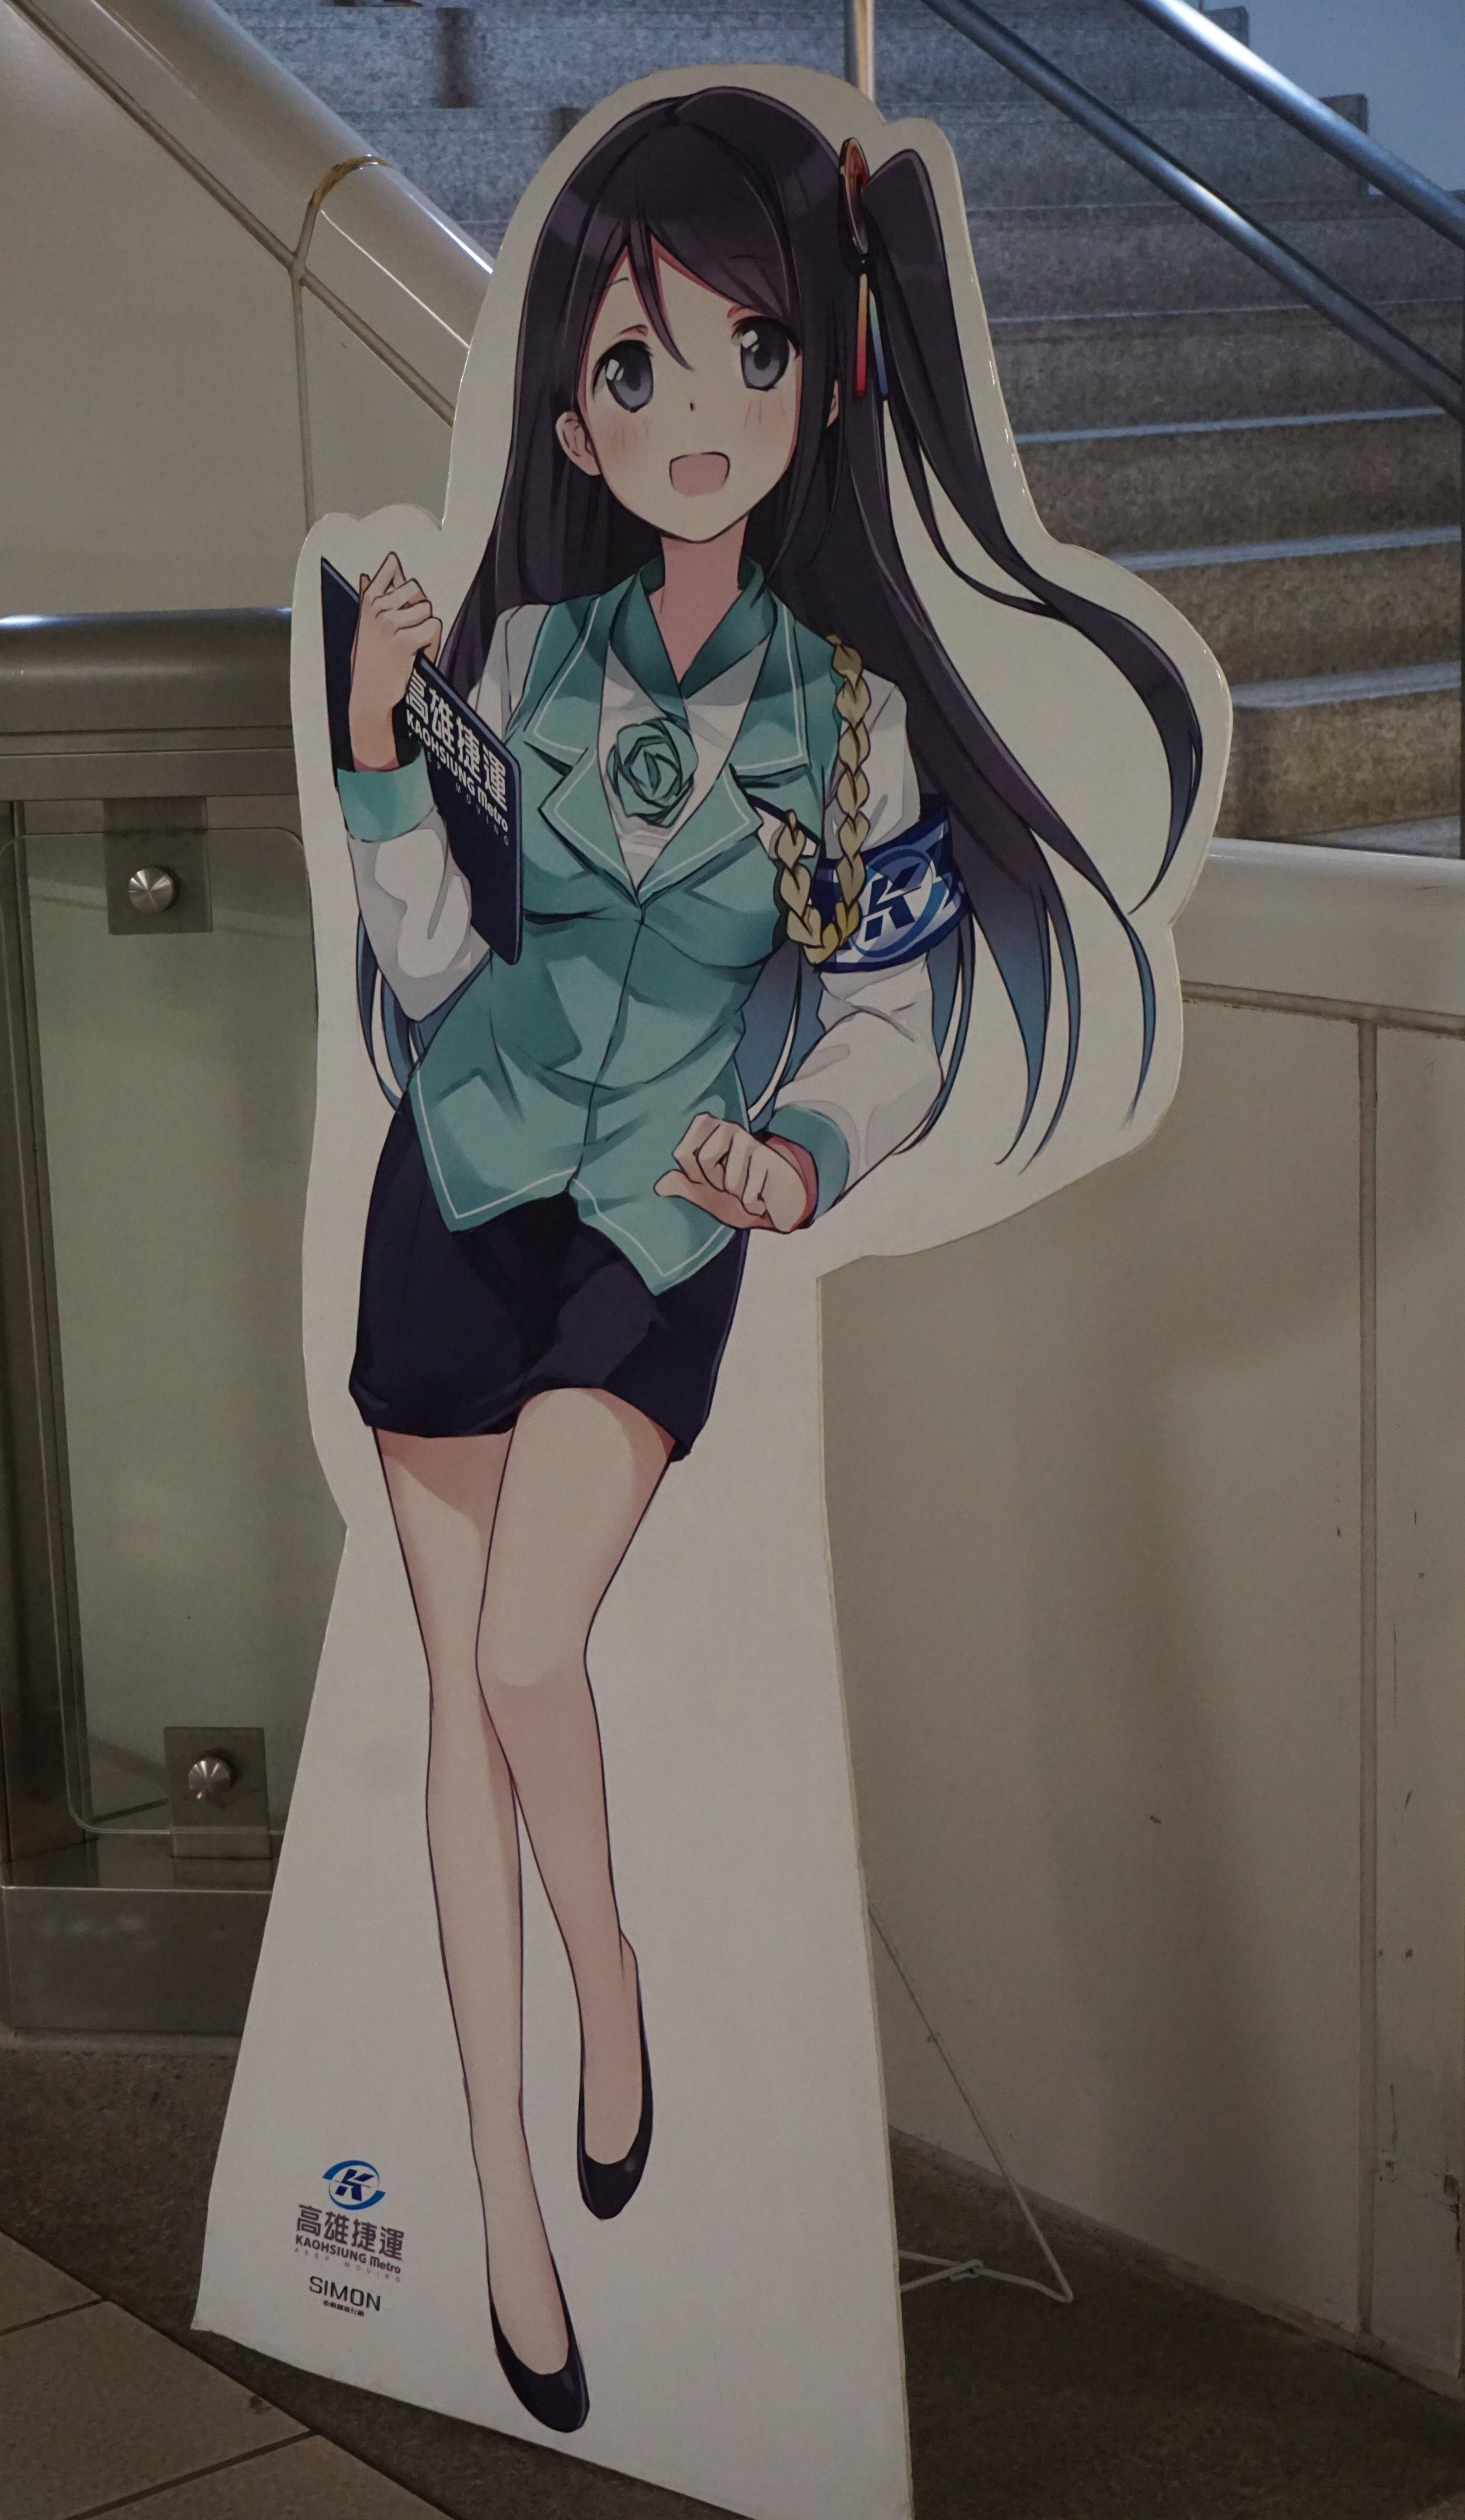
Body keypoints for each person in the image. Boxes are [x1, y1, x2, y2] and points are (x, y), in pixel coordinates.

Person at [329, 87, 1204, 2433]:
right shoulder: (524, 660)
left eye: (749, 350)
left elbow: (890, 1009)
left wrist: (804, 1144)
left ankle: (610, 1974)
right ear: (574, 416)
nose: (693, 410)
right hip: (457, 1193)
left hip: (664, 1222)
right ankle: (504, 2212)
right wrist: (379, 756)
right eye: (635, 367)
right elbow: (431, 974)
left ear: (821, 377)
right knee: (456, 1714)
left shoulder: (847, 722)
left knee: (530, 1655)